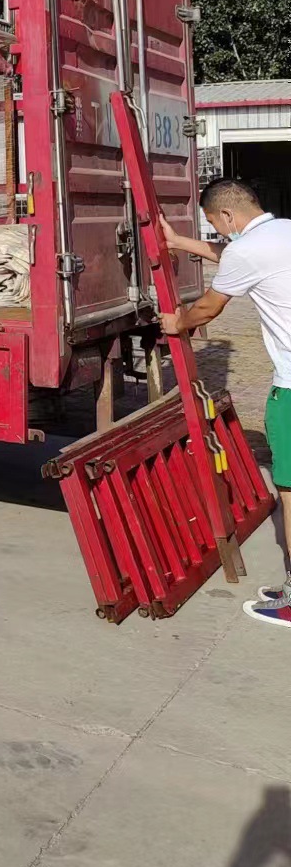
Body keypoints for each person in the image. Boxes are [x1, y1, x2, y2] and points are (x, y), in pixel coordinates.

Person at [161, 177, 291, 629]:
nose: (220, 234)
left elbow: (209, 308)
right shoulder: (282, 233)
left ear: (229, 217)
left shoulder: (246, 250)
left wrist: (177, 322)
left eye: (217, 225)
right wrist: (180, 242)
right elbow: (235, 259)